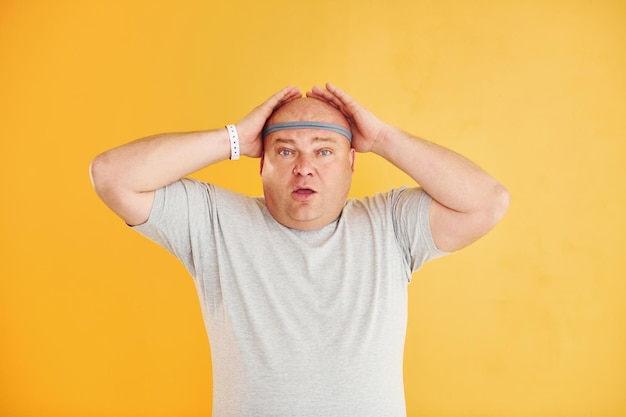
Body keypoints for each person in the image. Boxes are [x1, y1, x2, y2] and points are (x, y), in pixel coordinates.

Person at [90, 83, 509, 416]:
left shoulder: (391, 224)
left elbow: (487, 201)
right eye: (286, 150)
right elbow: (111, 174)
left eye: (324, 151)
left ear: (351, 163)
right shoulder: (214, 223)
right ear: (261, 162)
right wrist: (233, 138)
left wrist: (381, 137)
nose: (303, 166)